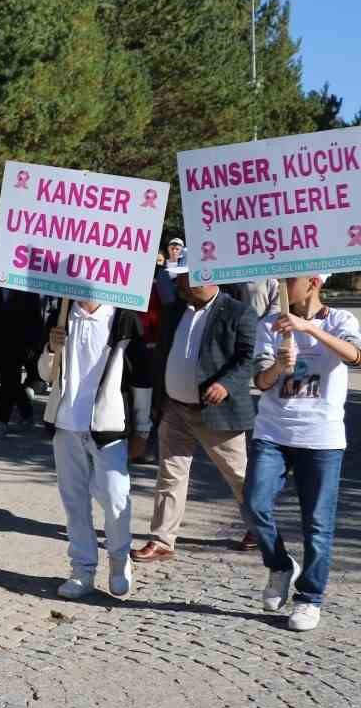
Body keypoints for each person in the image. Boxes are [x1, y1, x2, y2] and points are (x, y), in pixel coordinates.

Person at [242, 274, 361, 632]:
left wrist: (308, 328)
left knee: (318, 525)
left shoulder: (341, 320)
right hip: (273, 433)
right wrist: (280, 364)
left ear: (312, 282)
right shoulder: (269, 322)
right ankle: (280, 565)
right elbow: (260, 381)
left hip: (322, 438)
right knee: (253, 503)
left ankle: (309, 599)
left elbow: (355, 356)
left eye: (288, 279)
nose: (279, 284)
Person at [131, 256, 257, 563]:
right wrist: (160, 400)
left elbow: (246, 358)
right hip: (175, 407)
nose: (178, 283)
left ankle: (261, 527)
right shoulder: (174, 311)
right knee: (170, 475)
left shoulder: (238, 311)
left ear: (205, 276)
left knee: (239, 476)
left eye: (183, 277)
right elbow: (163, 355)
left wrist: (226, 384)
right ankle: (162, 540)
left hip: (217, 412)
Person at [39, 300, 152, 600]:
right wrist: (51, 349)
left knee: (116, 496)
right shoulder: (61, 313)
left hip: (109, 425)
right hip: (66, 423)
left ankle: (118, 560)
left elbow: (141, 376)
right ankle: (82, 570)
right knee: (74, 501)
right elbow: (44, 375)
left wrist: (142, 427)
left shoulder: (124, 318)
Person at [0, 287, 43, 437]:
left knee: (8, 380)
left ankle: (1, 422)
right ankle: (27, 414)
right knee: (11, 381)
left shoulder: (27, 288)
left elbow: (35, 318)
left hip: (18, 343)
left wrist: (34, 345)